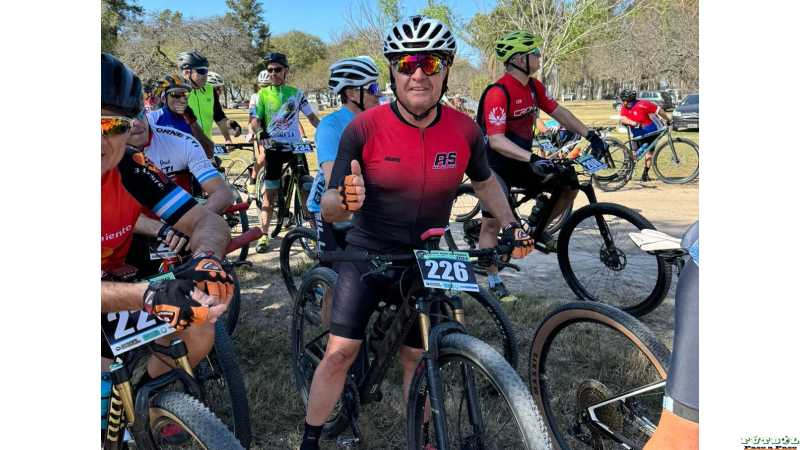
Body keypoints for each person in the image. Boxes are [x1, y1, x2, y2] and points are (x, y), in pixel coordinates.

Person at [298, 16, 534, 450]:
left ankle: (421, 438)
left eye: (431, 63)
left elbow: (484, 183)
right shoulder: (363, 128)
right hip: (368, 253)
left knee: (416, 356)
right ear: (392, 70)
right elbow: (330, 206)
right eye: (407, 63)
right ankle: (311, 438)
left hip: (426, 256)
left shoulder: (464, 129)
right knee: (340, 353)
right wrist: (346, 200)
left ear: (446, 68)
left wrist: (512, 224)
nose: (419, 73)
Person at [100, 53, 235, 431]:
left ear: (129, 130)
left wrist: (207, 258)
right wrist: (148, 296)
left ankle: (148, 401)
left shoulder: (131, 165)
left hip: (117, 277)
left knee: (199, 324)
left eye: (109, 124)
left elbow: (206, 221)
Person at [475, 30, 608, 300]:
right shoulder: (497, 93)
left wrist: (590, 134)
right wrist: (534, 158)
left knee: (568, 182)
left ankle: (539, 229)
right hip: (495, 165)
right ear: (520, 59)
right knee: (491, 225)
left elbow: (559, 112)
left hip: (521, 159)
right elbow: (497, 141)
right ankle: (492, 279)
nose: (539, 56)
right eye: (534, 53)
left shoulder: (534, 88)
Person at [306, 56, 381, 254]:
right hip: (332, 205)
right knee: (339, 270)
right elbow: (334, 180)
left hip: (366, 202)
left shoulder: (377, 120)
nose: (379, 94)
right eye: (373, 88)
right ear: (352, 93)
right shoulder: (330, 126)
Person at [249, 52, 321, 252]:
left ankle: (314, 233)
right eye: (270, 70)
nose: (273, 73)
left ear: (286, 71)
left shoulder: (296, 93)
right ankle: (264, 234)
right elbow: (254, 119)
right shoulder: (261, 95)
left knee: (307, 190)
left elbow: (312, 118)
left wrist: (326, 132)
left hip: (296, 149)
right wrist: (260, 130)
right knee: (270, 193)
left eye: (277, 69)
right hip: (273, 148)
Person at [177, 50, 241, 145]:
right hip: (183, 148)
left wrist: (229, 125)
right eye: (201, 71)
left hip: (206, 147)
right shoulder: (176, 92)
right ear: (187, 73)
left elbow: (219, 117)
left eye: (206, 71)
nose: (206, 75)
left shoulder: (210, 90)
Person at [147, 74, 215, 157]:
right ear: (164, 98)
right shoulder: (152, 119)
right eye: (175, 94)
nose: (182, 100)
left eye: (185, 94)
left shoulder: (191, 120)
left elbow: (209, 153)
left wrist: (192, 122)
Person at [618, 89, 672, 182]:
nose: (623, 102)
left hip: (652, 132)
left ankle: (645, 174)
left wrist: (667, 119)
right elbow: (623, 118)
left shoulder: (644, 104)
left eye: (623, 100)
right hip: (636, 133)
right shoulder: (624, 107)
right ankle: (628, 172)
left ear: (627, 100)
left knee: (649, 153)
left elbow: (659, 111)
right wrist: (632, 123)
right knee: (633, 154)